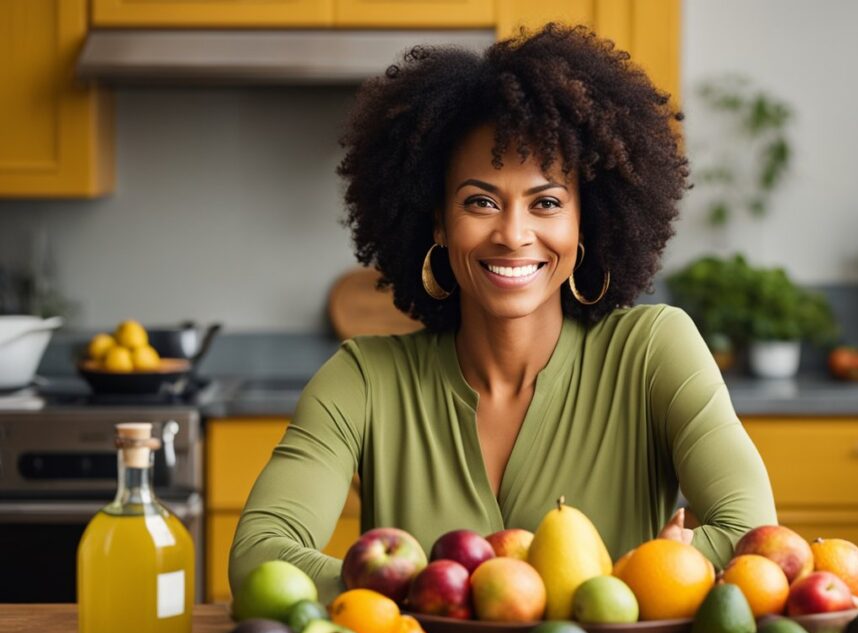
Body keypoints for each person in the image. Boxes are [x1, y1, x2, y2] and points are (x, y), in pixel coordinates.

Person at [230, 24, 776, 603]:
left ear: (583, 222)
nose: (514, 234)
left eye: (545, 203)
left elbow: (753, 540)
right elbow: (259, 555)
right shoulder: (363, 379)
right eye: (480, 201)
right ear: (438, 220)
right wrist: (461, 594)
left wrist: (434, 596)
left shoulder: (653, 351)